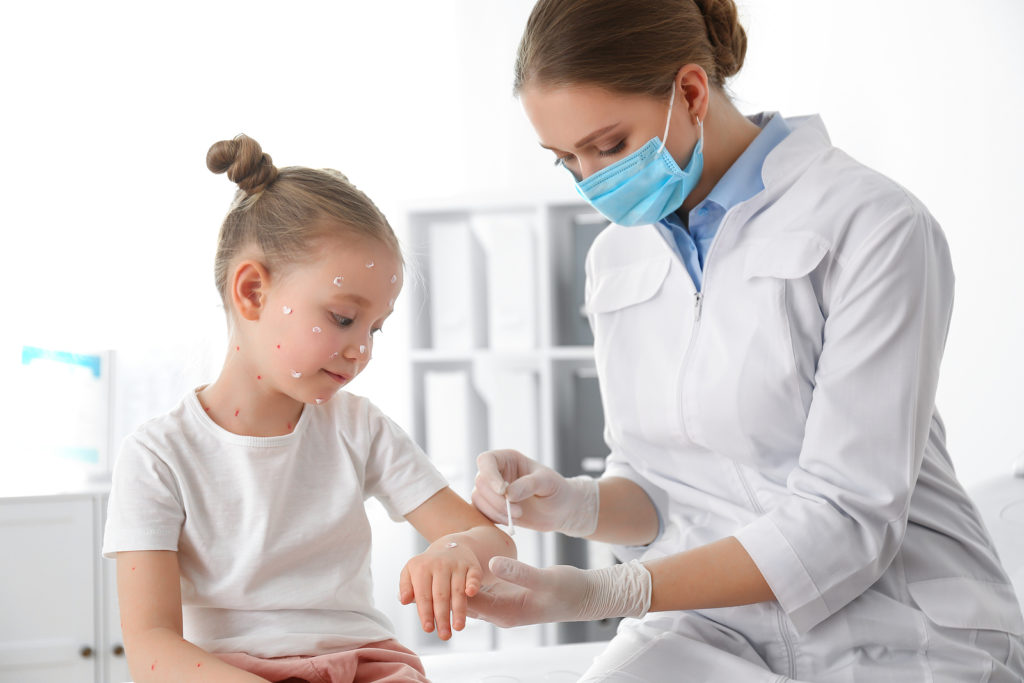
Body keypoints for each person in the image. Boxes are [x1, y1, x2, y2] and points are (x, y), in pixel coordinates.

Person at [469, 1, 1024, 681]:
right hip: (713, 633)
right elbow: (660, 482)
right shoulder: (616, 259)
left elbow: (847, 519)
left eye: (610, 145)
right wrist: (575, 503)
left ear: (692, 92)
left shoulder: (872, 223)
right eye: (566, 161)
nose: (593, 181)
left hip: (895, 630)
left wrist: (608, 592)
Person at [103, 134, 515, 683]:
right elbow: (152, 647)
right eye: (344, 318)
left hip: (365, 664)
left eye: (376, 329)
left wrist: (458, 547)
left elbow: (495, 542)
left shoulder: (359, 428)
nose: (361, 349)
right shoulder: (158, 457)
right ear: (251, 292)